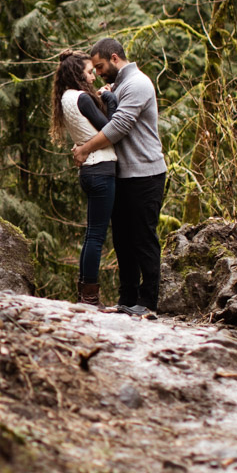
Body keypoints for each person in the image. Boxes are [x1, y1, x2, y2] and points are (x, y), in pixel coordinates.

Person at [71, 38, 167, 317]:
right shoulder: (121, 86)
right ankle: (127, 300)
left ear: (115, 58)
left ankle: (148, 301)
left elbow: (120, 126)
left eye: (100, 66)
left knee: (143, 238)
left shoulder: (137, 83)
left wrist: (85, 149)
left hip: (146, 174)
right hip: (123, 174)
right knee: (123, 240)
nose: (97, 72)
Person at [51, 51, 119, 306]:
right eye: (89, 72)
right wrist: (110, 98)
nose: (92, 77)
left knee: (92, 234)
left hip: (89, 171)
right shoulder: (83, 98)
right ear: (77, 74)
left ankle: (85, 295)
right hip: (101, 168)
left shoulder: (66, 97)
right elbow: (110, 127)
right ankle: (90, 299)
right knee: (96, 236)